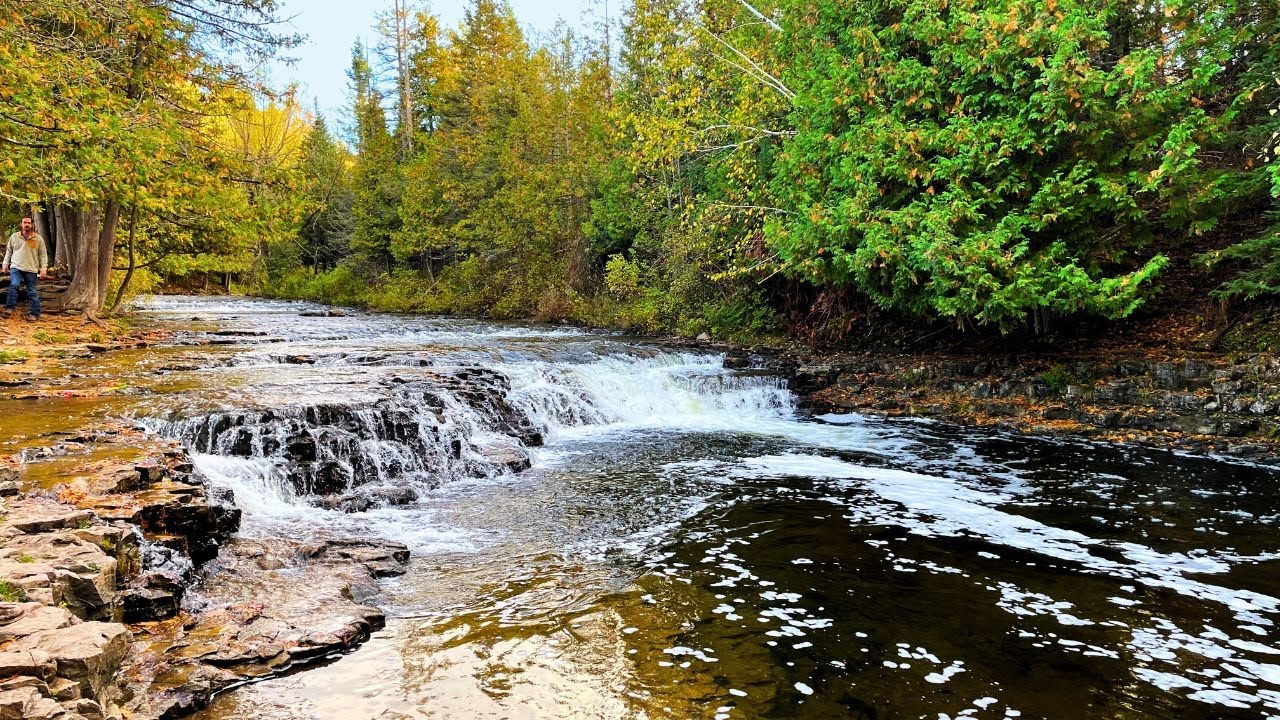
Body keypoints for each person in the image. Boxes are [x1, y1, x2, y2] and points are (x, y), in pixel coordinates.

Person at [2, 215, 49, 320]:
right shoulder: (14, 237)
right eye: (24, 222)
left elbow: (43, 255)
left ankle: (34, 314)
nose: (27, 224)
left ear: (32, 224)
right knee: (14, 285)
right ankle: (9, 309)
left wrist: (43, 268)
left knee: (32, 291)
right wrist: (5, 263)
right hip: (16, 267)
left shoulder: (38, 239)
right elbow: (9, 251)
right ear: (21, 224)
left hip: (31, 268)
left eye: (29, 223)